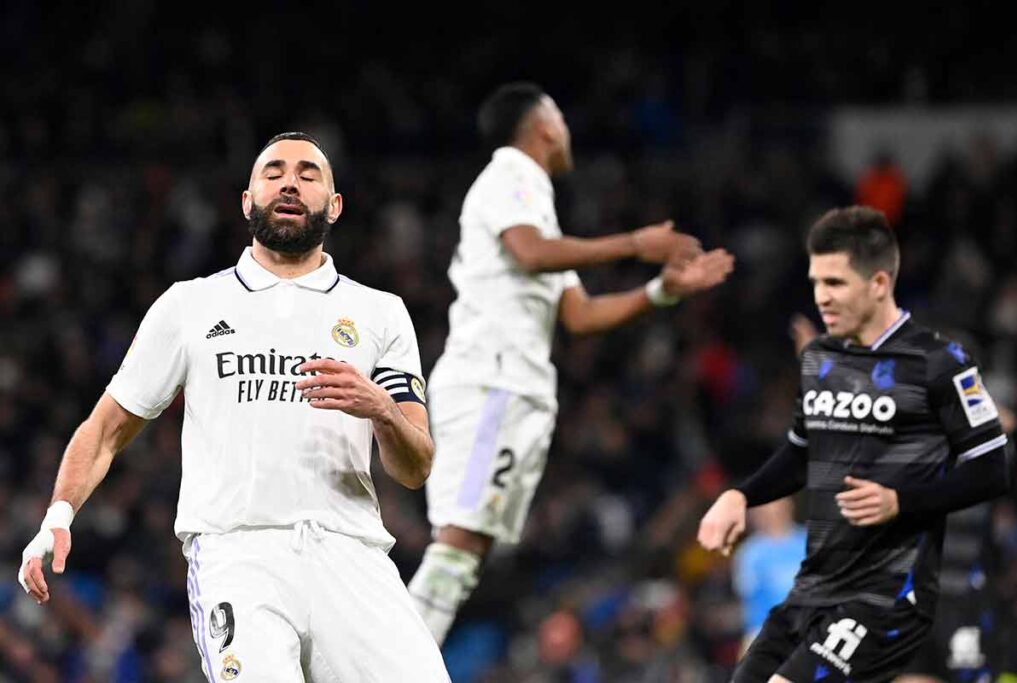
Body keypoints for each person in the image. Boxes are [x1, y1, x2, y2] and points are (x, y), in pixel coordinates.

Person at [17, 132, 451, 682]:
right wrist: (58, 515)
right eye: (273, 173)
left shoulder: (379, 313)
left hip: (352, 554)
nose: (289, 183)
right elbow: (105, 429)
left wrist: (383, 409)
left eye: (308, 175)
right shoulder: (190, 305)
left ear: (334, 206)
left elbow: (415, 468)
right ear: (247, 201)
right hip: (241, 556)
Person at [407, 82, 735, 644]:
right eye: (559, 115)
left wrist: (661, 291)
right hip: (491, 381)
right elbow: (531, 253)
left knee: (470, 549)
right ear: (544, 125)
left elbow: (580, 314)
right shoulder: (509, 175)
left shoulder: (536, 208)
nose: (566, 129)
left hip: (513, 386)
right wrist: (634, 243)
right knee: (458, 546)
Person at [698, 206, 1010, 682]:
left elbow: (992, 468)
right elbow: (800, 453)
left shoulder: (939, 362)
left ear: (879, 283)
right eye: (816, 282)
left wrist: (901, 501)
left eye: (836, 283)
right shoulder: (823, 361)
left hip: (885, 595)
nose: (821, 296)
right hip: (814, 589)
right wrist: (741, 494)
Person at [732, 497, 806, 654]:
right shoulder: (749, 553)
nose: (773, 510)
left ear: (789, 505)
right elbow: (747, 600)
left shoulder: (810, 543)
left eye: (777, 503)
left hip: (807, 631)